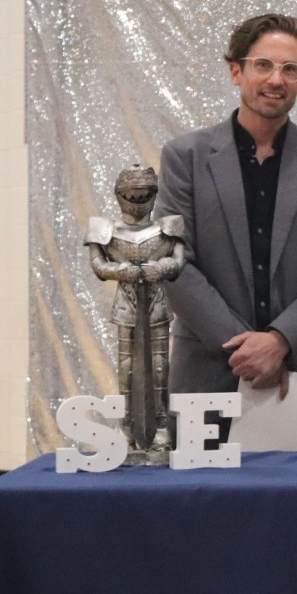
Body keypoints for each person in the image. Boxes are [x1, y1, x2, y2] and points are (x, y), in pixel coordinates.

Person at [155, 13, 297, 426]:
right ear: (236, 71)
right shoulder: (185, 157)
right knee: (196, 474)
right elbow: (172, 263)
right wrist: (246, 350)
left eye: (290, 69)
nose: (276, 79)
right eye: (263, 64)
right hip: (206, 375)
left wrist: (281, 341)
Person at [85, 165, 185, 455]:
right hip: (126, 305)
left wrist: (161, 267)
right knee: (126, 368)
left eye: (144, 194)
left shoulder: (168, 227)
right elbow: (98, 265)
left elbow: (179, 261)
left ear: (154, 194)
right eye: (133, 194)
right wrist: (121, 271)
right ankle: (127, 426)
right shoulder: (104, 229)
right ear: (120, 194)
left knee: (160, 367)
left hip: (156, 304)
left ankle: (161, 426)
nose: (138, 199)